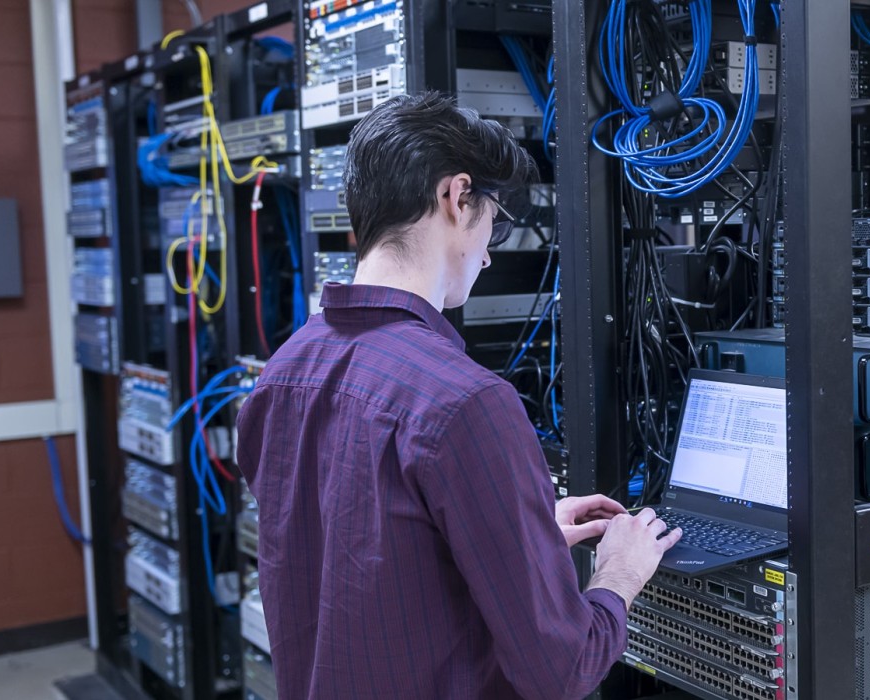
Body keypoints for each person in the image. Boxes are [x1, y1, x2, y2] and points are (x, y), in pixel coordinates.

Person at [235, 92, 682, 700]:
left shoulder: (281, 375)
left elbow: (364, 566)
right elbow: (562, 670)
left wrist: (525, 537)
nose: (491, 252)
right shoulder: (466, 402)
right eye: (493, 220)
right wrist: (619, 574)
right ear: (456, 196)